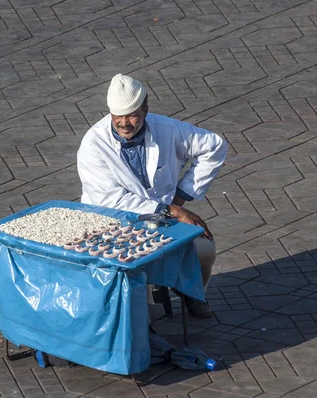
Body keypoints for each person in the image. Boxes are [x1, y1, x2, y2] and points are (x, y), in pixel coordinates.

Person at [77, 73, 227, 318]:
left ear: (145, 109)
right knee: (134, 261)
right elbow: (109, 200)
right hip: (114, 221)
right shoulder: (93, 145)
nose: (125, 122)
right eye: (118, 116)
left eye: (132, 115)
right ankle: (141, 315)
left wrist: (182, 195)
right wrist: (171, 210)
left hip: (164, 216)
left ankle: (193, 292)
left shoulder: (168, 129)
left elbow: (215, 146)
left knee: (204, 248)